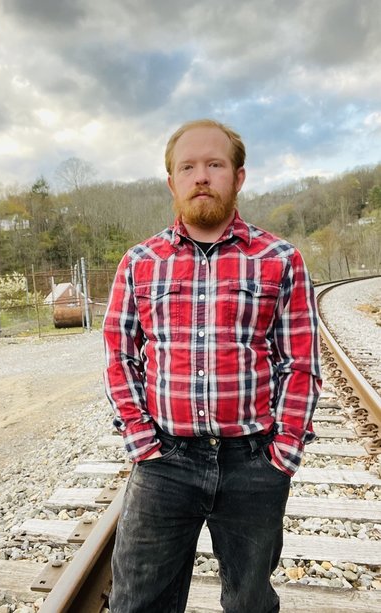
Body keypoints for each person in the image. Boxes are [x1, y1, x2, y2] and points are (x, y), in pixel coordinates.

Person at [103, 119, 322, 613]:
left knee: (250, 602)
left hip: (253, 462)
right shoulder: (139, 261)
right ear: (172, 182)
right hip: (164, 462)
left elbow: (300, 362)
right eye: (188, 167)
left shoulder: (281, 259)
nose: (201, 176)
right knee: (137, 603)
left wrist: (283, 453)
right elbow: (119, 356)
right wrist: (141, 440)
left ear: (238, 177)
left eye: (215, 164)